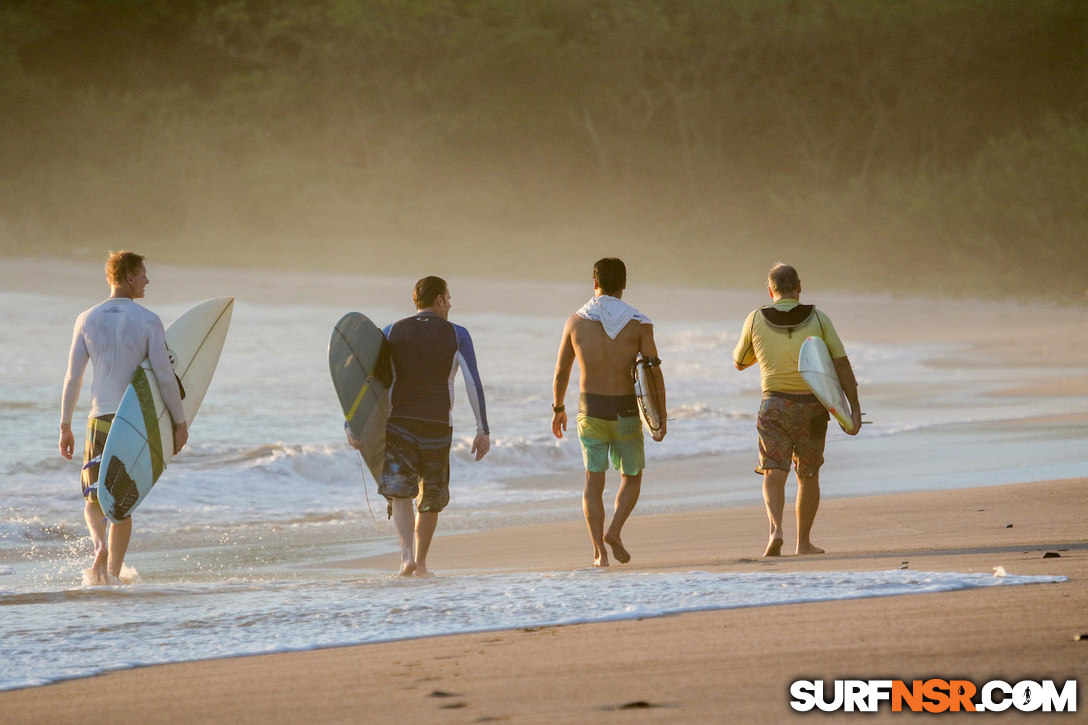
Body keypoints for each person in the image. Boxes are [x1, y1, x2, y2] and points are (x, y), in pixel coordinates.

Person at [60, 251, 188, 584]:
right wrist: (179, 422)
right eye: (143, 274)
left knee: (93, 499)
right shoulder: (148, 320)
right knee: (122, 503)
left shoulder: (86, 318)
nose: (147, 280)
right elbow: (163, 376)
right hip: (132, 423)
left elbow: (73, 378)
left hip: (99, 420)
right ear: (129, 277)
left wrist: (65, 424)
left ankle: (99, 547)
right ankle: (113, 575)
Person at [351, 276, 490, 577]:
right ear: (438, 300)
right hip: (438, 426)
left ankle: (406, 558)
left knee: (401, 493)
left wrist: (354, 423)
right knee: (431, 497)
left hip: (399, 423)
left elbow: (370, 383)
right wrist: (483, 430)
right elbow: (472, 383)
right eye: (448, 298)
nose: (450, 304)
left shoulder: (391, 330)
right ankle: (423, 563)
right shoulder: (458, 334)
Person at [733, 263, 861, 557]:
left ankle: (775, 529)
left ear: (770, 290)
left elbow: (739, 362)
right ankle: (803, 543)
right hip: (812, 407)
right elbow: (841, 365)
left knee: (773, 471)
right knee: (808, 474)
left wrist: (766, 349)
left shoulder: (755, 319)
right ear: (799, 287)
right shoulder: (818, 318)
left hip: (774, 405)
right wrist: (853, 409)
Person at [551, 258, 666, 568]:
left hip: (590, 411)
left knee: (593, 481)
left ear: (594, 283)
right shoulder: (639, 323)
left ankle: (599, 554)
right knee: (631, 476)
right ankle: (613, 531)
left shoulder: (575, 322)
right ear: (623, 286)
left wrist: (558, 408)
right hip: (626, 411)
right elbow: (654, 373)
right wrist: (661, 417)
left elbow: (562, 370)